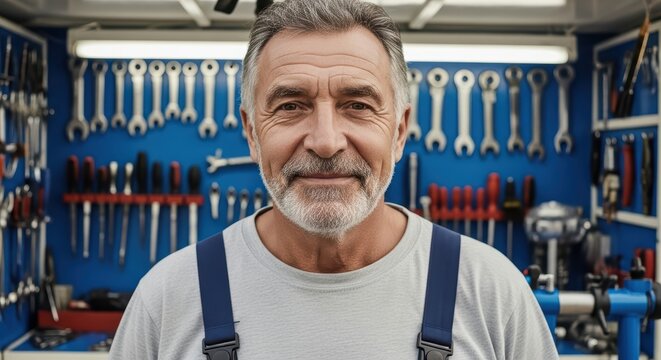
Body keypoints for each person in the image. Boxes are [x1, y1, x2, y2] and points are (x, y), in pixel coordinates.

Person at [109, 0, 559, 359]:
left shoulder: (492, 294)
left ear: (399, 131)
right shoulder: (167, 301)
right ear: (251, 133)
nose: (325, 142)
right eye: (291, 106)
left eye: (357, 105)